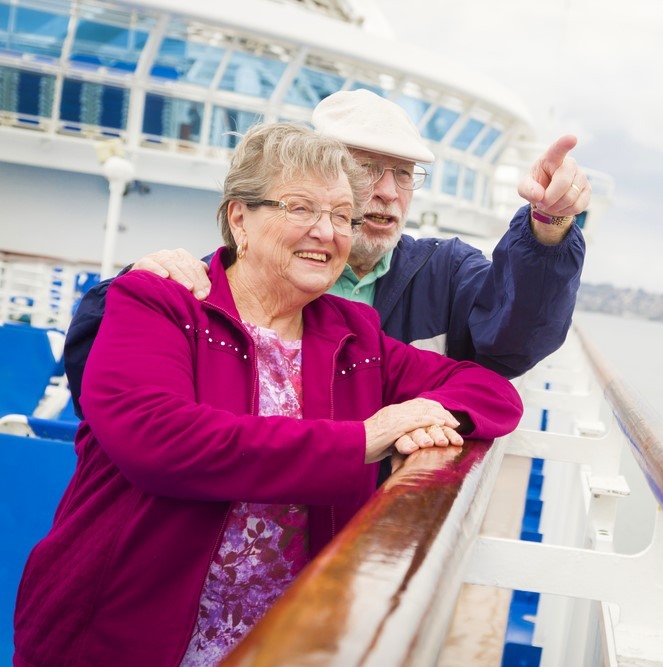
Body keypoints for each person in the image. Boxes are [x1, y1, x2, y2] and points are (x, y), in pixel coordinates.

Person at [13, 123, 523, 667]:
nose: (326, 232)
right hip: (121, 636)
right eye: (300, 208)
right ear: (240, 217)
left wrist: (427, 415)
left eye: (342, 216)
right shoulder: (162, 304)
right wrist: (365, 440)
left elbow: (494, 393)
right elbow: (158, 441)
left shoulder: (354, 335)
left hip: (290, 642)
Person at [64, 89, 589, 417]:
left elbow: (512, 346)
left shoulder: (445, 272)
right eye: (366, 169)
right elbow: (108, 391)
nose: (386, 191)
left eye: (404, 174)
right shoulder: (218, 283)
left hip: (375, 529)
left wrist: (548, 228)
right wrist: (130, 288)